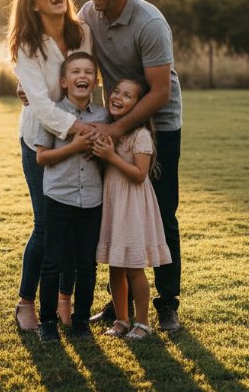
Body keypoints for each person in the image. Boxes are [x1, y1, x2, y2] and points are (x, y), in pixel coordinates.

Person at [78, 0, 185, 331]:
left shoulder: (149, 23)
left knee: (161, 212)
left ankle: (167, 302)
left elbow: (159, 93)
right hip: (115, 121)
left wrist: (115, 130)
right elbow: (72, 63)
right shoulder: (89, 14)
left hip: (159, 126)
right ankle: (119, 305)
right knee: (115, 212)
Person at [7, 0, 96, 331]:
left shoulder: (82, 32)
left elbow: (87, 79)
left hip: (80, 138)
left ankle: (64, 301)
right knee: (46, 226)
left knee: (75, 226)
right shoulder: (25, 46)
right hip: (40, 139)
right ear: (33, 3)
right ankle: (25, 302)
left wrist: (94, 126)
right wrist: (79, 130)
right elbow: (41, 105)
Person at [33, 52, 107, 342]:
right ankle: (48, 322)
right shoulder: (51, 113)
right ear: (64, 81)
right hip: (59, 198)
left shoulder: (102, 116)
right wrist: (74, 146)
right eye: (75, 71)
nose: (82, 76)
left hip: (91, 200)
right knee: (53, 262)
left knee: (87, 264)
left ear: (96, 81)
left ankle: (80, 323)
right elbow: (42, 157)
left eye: (89, 72)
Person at [93, 78, 172, 340]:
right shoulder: (110, 133)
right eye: (116, 91)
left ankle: (143, 323)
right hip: (114, 206)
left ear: (139, 106)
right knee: (115, 267)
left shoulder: (141, 135)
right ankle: (121, 320)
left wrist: (111, 156)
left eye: (128, 95)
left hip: (132, 208)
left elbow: (140, 174)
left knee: (134, 268)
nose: (118, 97)